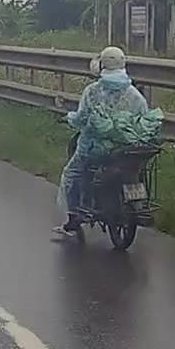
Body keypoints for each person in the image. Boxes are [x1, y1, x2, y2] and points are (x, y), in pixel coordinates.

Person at [55, 46, 148, 236]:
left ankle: (73, 219)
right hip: (126, 150)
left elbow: (81, 118)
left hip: (94, 149)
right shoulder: (135, 95)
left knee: (71, 174)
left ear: (101, 66)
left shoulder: (92, 91)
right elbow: (144, 121)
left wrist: (69, 117)